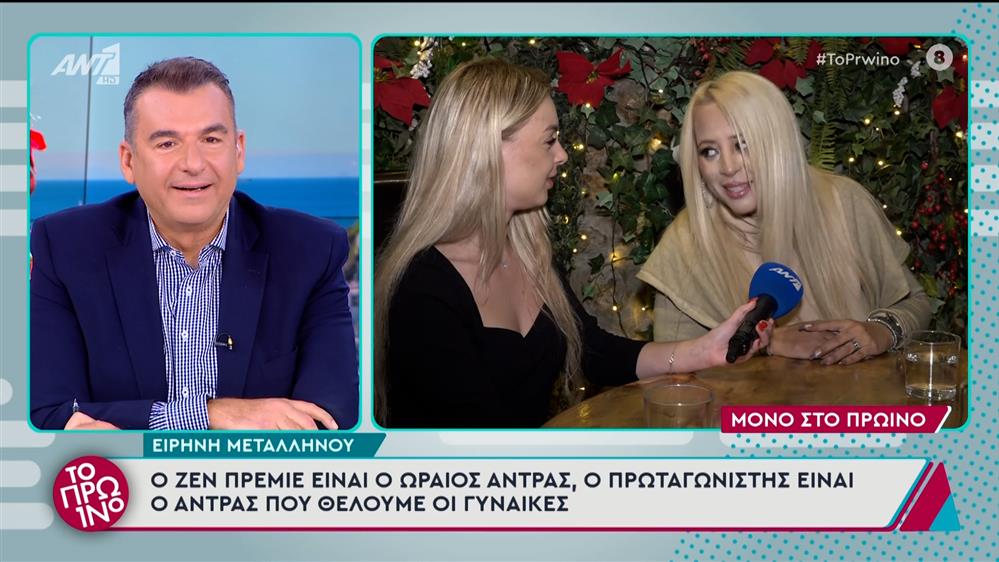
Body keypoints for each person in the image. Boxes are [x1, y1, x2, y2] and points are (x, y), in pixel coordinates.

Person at [374, 58, 771, 428]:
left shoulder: (527, 250)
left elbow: (594, 350)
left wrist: (705, 350)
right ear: (491, 149)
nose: (563, 155)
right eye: (549, 140)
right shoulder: (421, 290)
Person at [30, 57, 358, 430]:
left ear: (238, 151)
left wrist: (128, 421)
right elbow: (48, 416)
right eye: (167, 143)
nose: (193, 163)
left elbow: (330, 420)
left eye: (211, 140)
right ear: (128, 161)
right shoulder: (65, 248)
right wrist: (214, 415)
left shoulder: (311, 252)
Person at [638, 71, 930, 366]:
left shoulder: (844, 203)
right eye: (709, 151)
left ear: (778, 142)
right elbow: (675, 377)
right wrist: (765, 344)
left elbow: (915, 303)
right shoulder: (684, 247)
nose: (727, 167)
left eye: (743, 144)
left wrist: (881, 331)